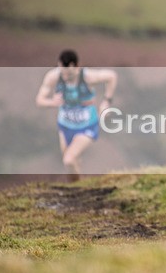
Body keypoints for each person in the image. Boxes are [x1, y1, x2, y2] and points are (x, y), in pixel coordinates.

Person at [35, 50, 118, 182]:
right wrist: (52, 102)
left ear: (77, 66)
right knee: (72, 164)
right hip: (65, 126)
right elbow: (39, 100)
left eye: (69, 74)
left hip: (86, 125)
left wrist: (106, 102)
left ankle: (76, 188)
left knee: (68, 160)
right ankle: (79, 188)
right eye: (63, 72)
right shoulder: (53, 77)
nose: (65, 77)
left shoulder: (87, 77)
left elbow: (111, 76)